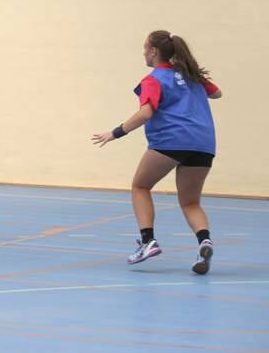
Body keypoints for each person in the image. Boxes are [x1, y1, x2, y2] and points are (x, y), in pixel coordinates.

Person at [92, 30, 221, 275]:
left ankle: (148, 241)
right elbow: (217, 93)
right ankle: (205, 242)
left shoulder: (153, 79)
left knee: (140, 186)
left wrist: (115, 132)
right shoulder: (191, 76)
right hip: (203, 144)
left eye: (145, 48)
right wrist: (194, 75)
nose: (143, 52)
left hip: (171, 140)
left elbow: (146, 113)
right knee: (191, 202)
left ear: (153, 51)